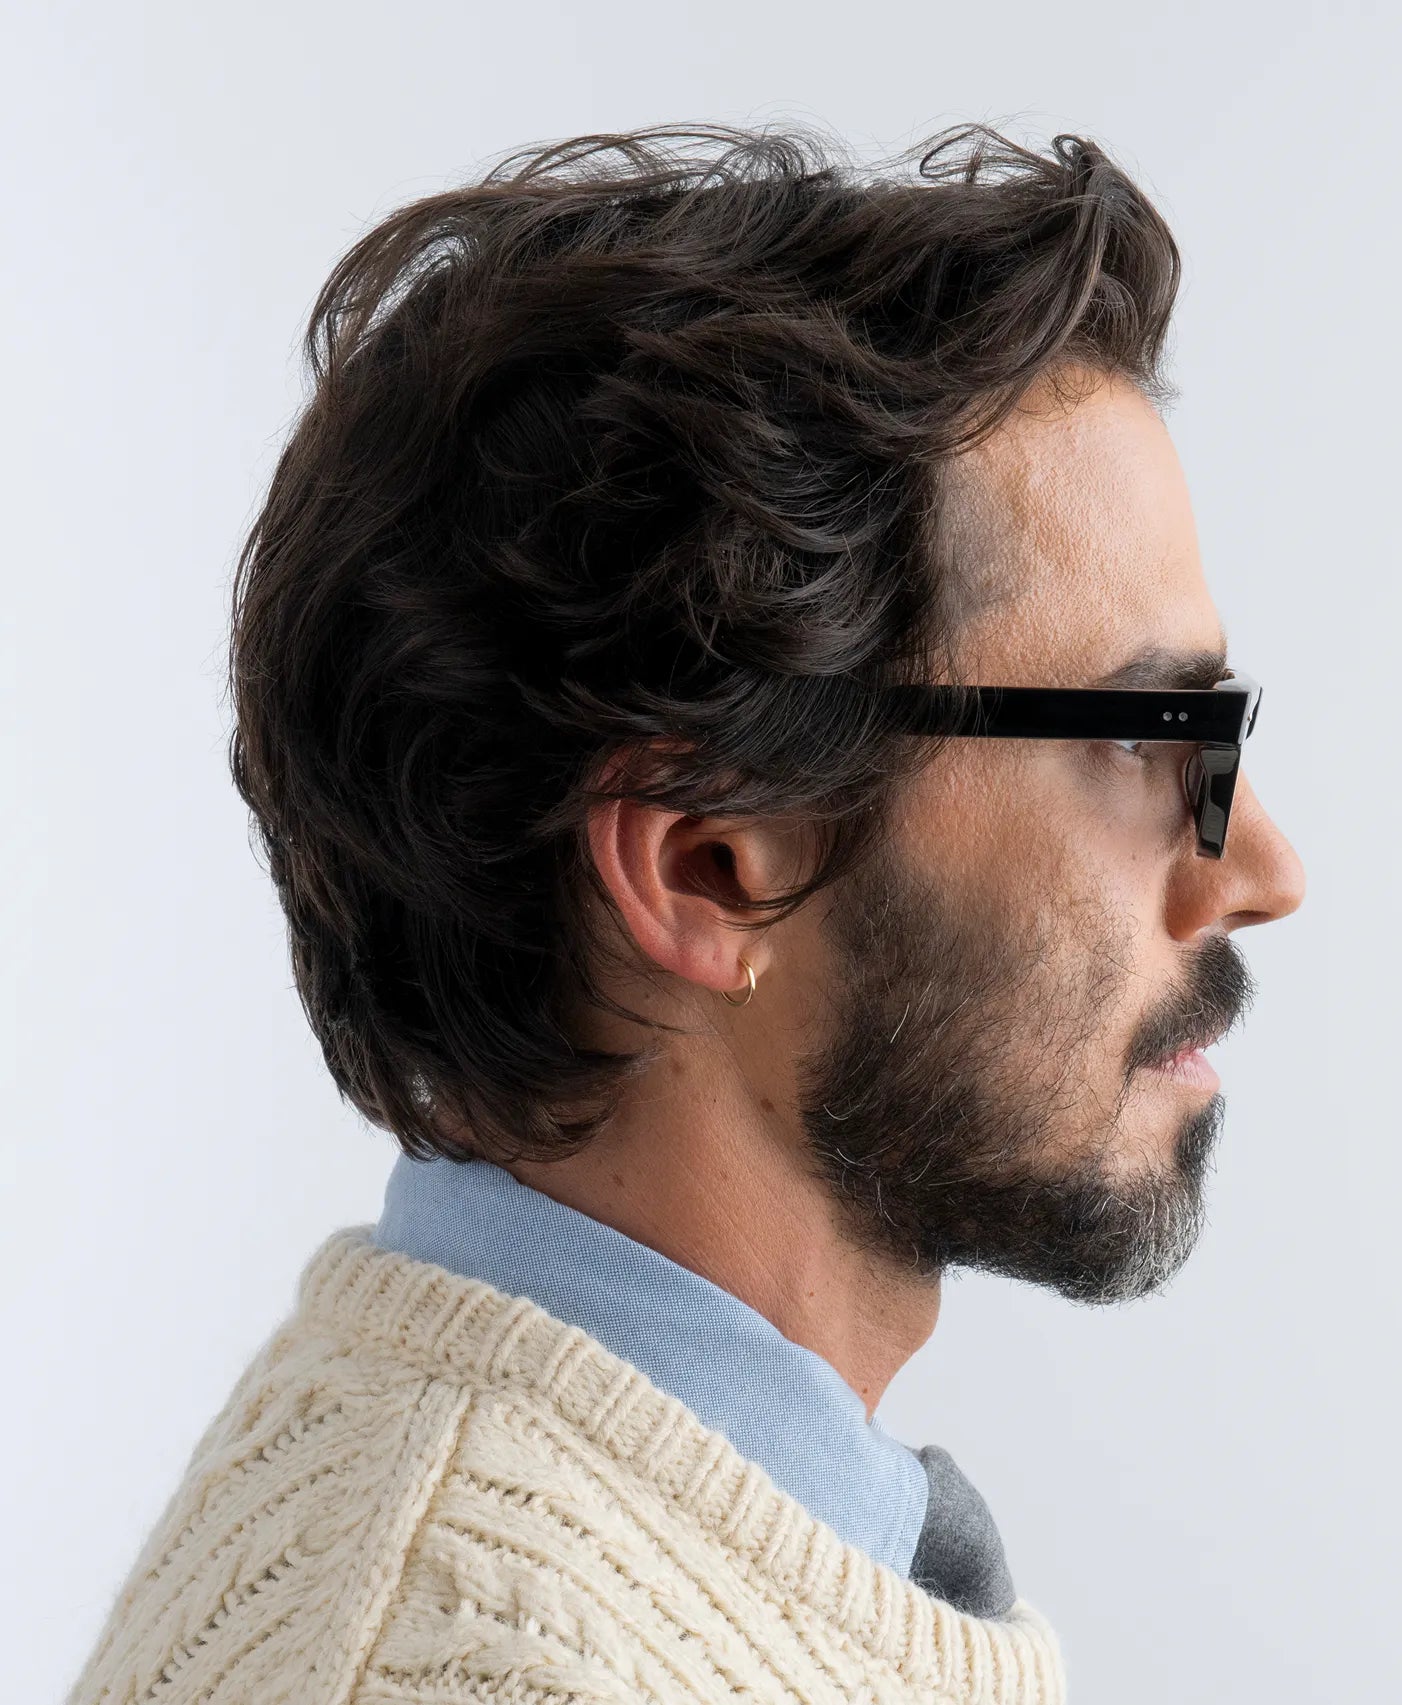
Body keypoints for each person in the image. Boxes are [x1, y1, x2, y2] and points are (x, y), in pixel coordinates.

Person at [67, 121, 1304, 1705]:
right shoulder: (477, 1668)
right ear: (708, 866)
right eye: (1150, 737)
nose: (1260, 866)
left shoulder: (661, 1541)